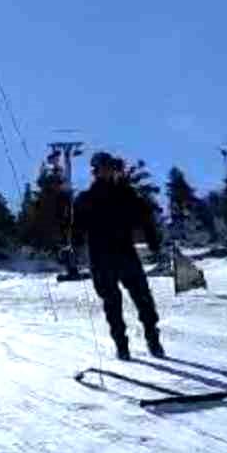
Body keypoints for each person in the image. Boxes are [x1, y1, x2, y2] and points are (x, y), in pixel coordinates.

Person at [72, 152, 164, 361]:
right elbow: (76, 228)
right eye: (103, 169)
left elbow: (145, 217)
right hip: (100, 258)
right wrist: (73, 250)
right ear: (95, 172)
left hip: (125, 253)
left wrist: (153, 241)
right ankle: (121, 345)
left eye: (111, 168)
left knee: (143, 299)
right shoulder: (86, 199)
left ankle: (153, 339)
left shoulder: (126, 195)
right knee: (112, 303)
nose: (108, 172)